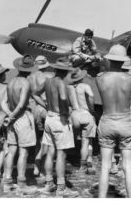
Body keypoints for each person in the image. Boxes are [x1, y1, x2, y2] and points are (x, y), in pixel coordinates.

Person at [96, 45, 131, 198]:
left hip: (107, 120)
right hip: (126, 121)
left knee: (105, 167)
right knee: (128, 166)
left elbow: (100, 71)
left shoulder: (100, 78)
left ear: (109, 59)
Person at [39, 57, 79, 197]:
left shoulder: (48, 80)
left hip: (49, 118)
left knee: (51, 151)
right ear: (66, 71)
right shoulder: (61, 83)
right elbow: (63, 98)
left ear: (56, 68)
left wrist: (46, 105)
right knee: (61, 154)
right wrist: (66, 111)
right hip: (59, 119)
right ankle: (61, 188)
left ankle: (49, 184)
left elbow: (35, 93)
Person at [3, 55, 38, 194]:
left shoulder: (11, 82)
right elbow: (22, 104)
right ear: (29, 69)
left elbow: (3, 102)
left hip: (12, 119)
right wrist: (13, 116)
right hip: (22, 118)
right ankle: (22, 184)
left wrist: (10, 115)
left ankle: (7, 182)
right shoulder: (25, 82)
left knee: (11, 151)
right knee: (23, 152)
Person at [67, 68, 96, 175]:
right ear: (82, 77)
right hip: (85, 113)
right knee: (86, 141)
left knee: (80, 140)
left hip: (75, 115)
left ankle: (87, 160)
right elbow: (91, 96)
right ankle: (84, 164)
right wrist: (91, 109)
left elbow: (68, 103)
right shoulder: (85, 86)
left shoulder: (68, 87)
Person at [28, 55, 53, 177]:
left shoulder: (29, 77)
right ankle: (42, 168)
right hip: (43, 108)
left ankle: (36, 168)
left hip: (33, 110)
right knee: (47, 141)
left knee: (38, 140)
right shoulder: (45, 77)